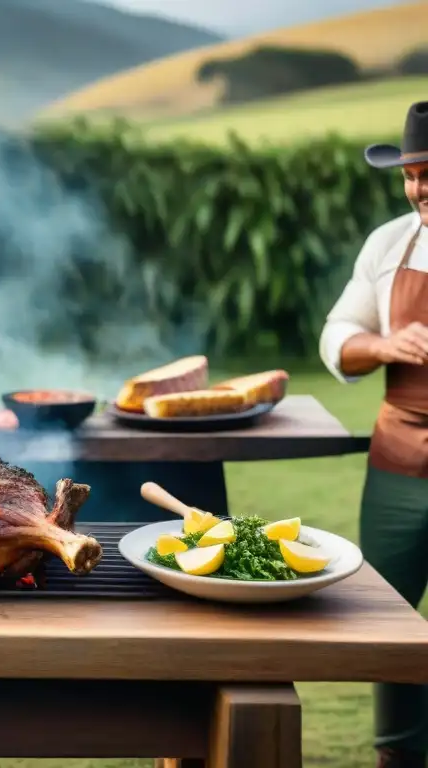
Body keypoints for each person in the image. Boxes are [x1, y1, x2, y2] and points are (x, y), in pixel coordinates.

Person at [319, 100, 428, 768]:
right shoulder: (390, 244)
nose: (421, 188)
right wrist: (385, 346)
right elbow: (336, 339)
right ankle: (398, 756)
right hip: (397, 462)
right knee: (388, 622)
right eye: (413, 175)